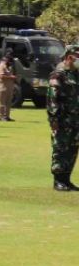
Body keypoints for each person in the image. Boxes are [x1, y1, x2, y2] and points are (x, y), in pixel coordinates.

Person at [47, 45, 79, 191]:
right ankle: (58, 180)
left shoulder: (76, 74)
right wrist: (53, 120)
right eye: (76, 56)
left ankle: (66, 179)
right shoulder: (58, 74)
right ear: (68, 57)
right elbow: (52, 99)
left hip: (75, 120)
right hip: (62, 120)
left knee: (72, 149)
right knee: (60, 148)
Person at [0, 50, 19, 122]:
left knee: (8, 103)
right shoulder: (1, 66)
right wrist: (12, 77)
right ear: (5, 59)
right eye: (9, 59)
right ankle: (1, 116)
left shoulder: (8, 67)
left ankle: (7, 116)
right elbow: (1, 76)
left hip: (9, 87)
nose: (10, 60)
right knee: (2, 102)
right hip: (3, 86)